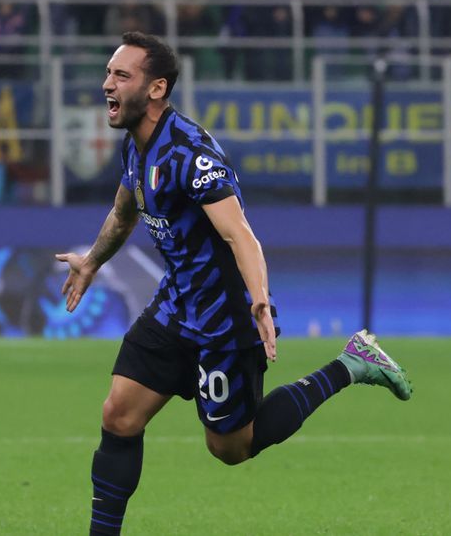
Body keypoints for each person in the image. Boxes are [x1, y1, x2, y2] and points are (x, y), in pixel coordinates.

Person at [55, 32, 413, 536]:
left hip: (226, 320)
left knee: (230, 448)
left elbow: (239, 233)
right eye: (108, 72)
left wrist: (261, 303)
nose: (105, 84)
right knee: (118, 415)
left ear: (156, 88)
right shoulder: (136, 148)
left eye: (120, 75)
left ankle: (351, 364)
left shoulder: (190, 156)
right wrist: (92, 261)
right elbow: (123, 212)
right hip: (177, 306)